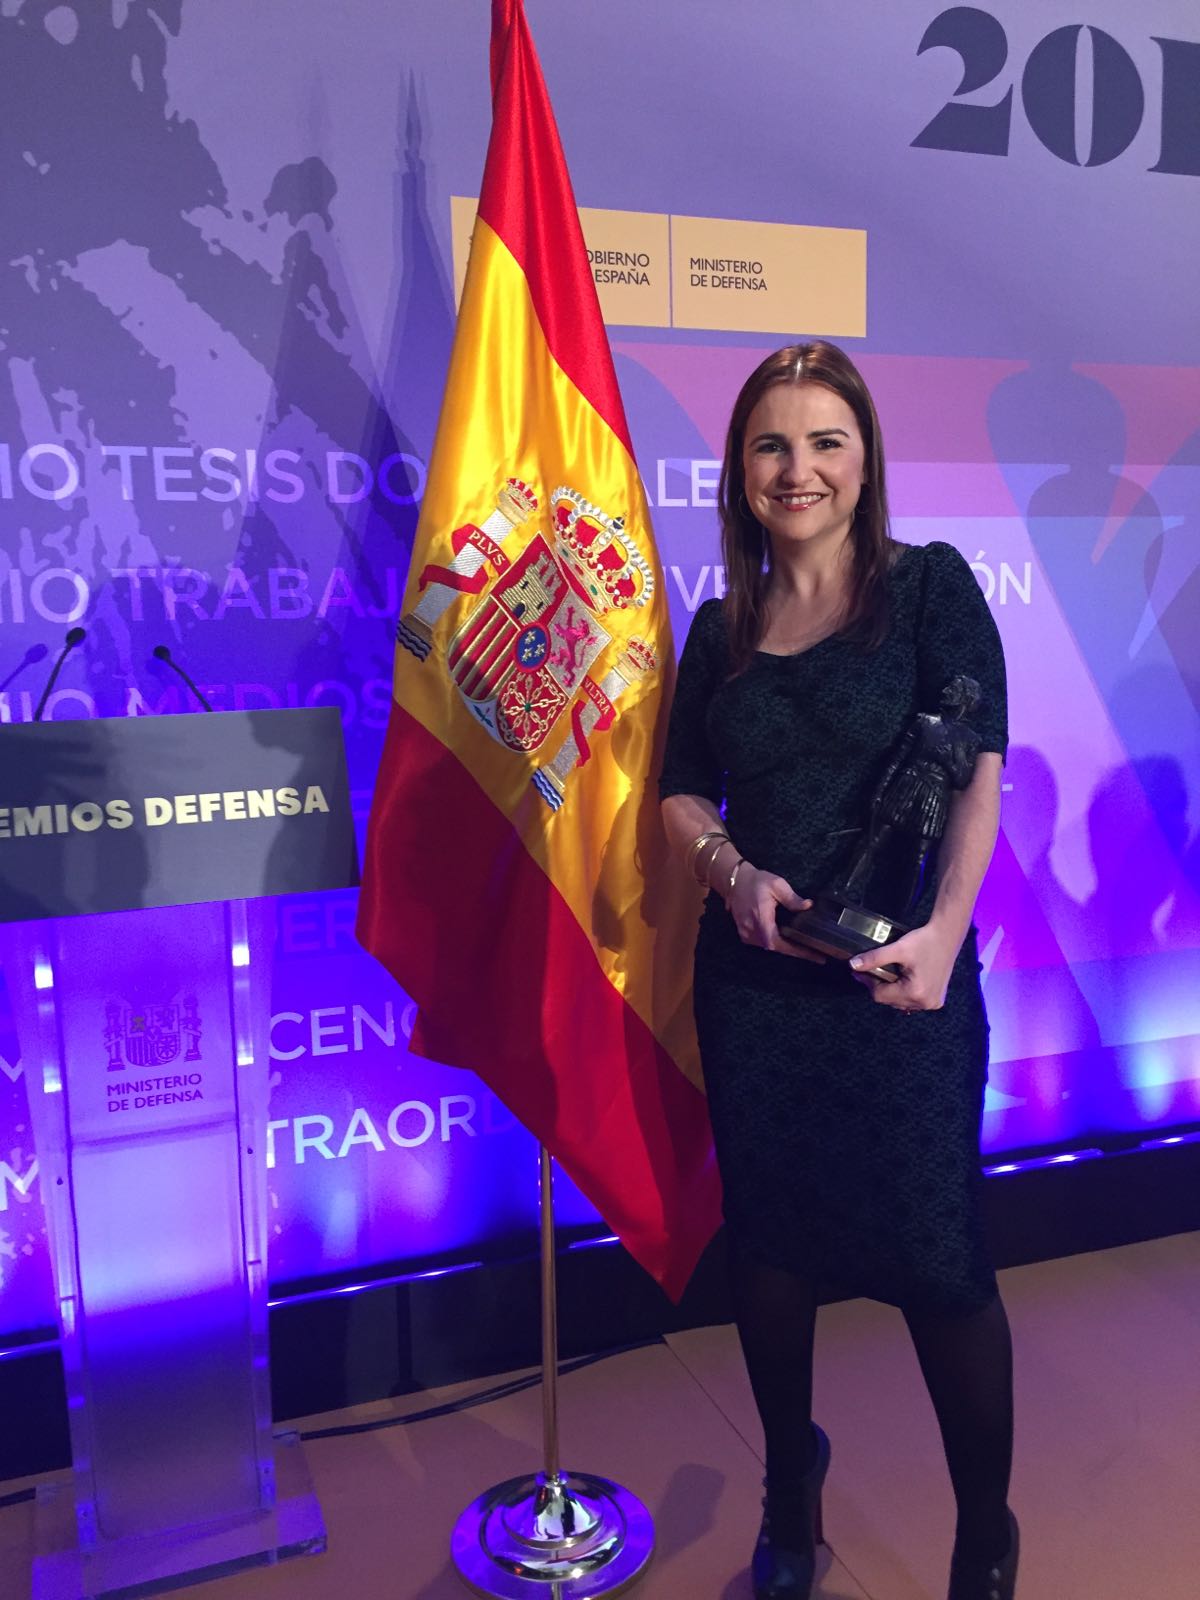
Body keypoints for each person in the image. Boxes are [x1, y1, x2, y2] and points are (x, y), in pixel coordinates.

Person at [658, 343, 1017, 1600]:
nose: (797, 468)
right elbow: (679, 790)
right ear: (739, 469)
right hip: (755, 991)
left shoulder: (930, 590)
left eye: (826, 441)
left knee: (940, 1263)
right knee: (770, 1252)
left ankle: (985, 1533)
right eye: (771, 443)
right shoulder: (720, 628)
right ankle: (789, 1494)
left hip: (901, 987)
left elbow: (977, 773)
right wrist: (730, 873)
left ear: (865, 462)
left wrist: (947, 933)